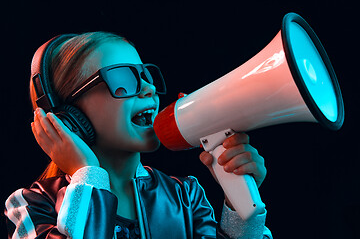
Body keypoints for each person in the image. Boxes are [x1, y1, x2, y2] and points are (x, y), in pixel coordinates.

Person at [4, 32, 272, 239]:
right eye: (123, 79)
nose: (149, 89)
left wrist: (240, 202)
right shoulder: (29, 205)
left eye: (145, 75)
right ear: (70, 116)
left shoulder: (185, 195)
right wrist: (87, 174)